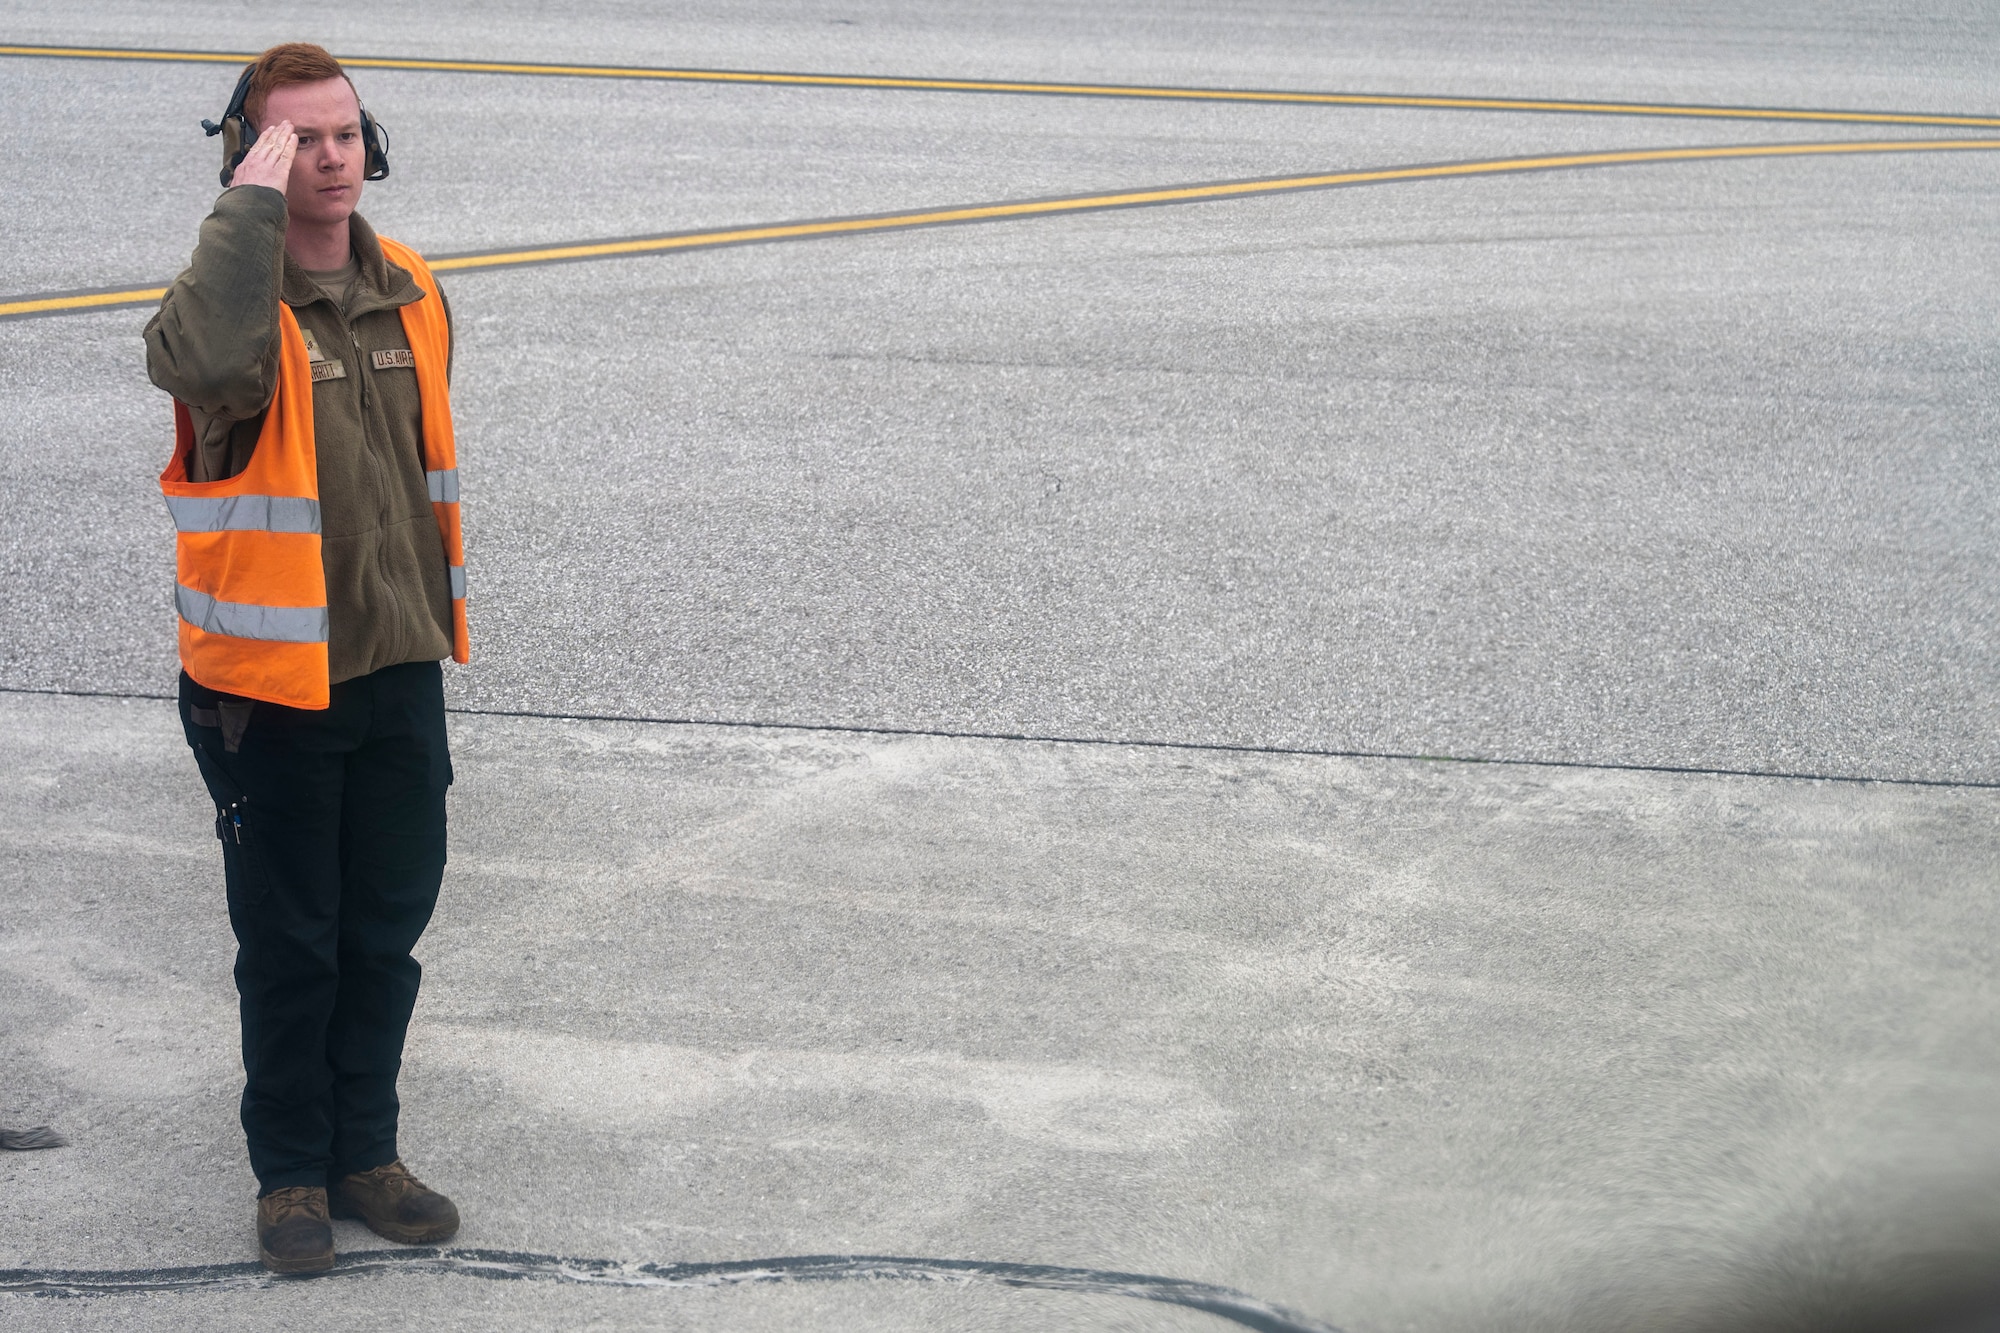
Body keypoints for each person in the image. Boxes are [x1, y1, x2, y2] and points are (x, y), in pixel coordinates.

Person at [145, 42, 468, 1274]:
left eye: (343, 134)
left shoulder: (411, 288)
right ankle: (288, 1171)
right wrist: (247, 210)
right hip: (267, 690)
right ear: (251, 154)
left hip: (396, 667)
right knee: (293, 944)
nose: (330, 159)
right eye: (297, 140)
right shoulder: (226, 306)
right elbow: (207, 372)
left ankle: (364, 1155)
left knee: (383, 934)